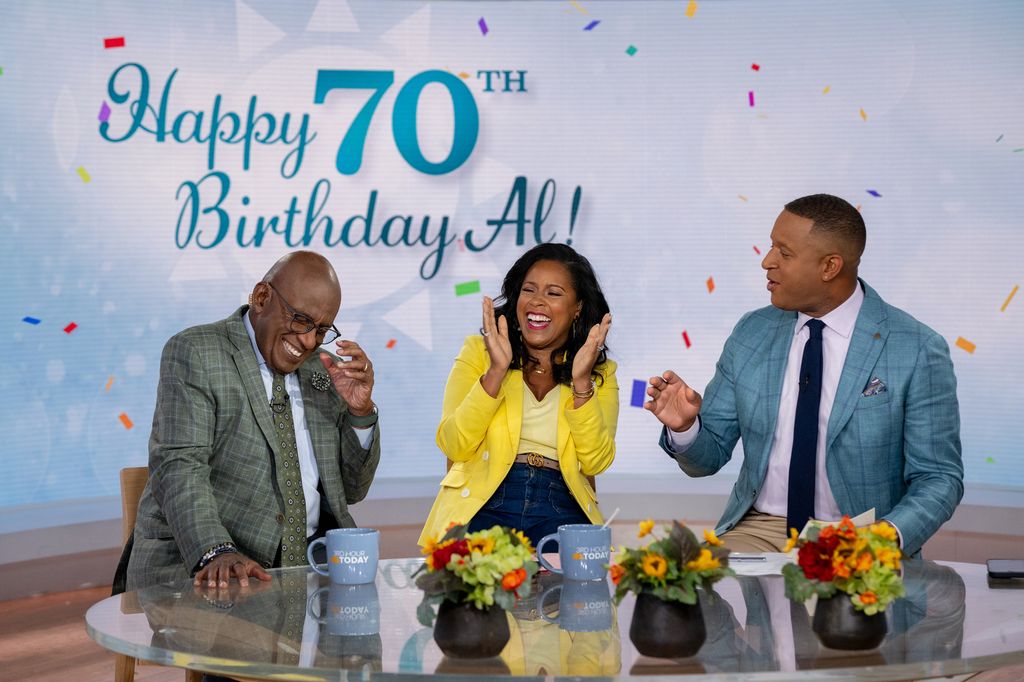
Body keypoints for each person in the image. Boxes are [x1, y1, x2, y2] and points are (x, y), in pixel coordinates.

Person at [646, 194, 963, 557]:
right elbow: (708, 459)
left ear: (830, 266)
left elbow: (939, 478)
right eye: (770, 247)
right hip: (759, 528)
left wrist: (881, 541)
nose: (767, 262)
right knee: (679, 594)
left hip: (858, 537)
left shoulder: (917, 348)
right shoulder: (753, 332)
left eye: (784, 252)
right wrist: (686, 428)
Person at [123, 251, 381, 591]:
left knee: (372, 638)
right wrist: (215, 552)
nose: (307, 341)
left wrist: (360, 414)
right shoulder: (196, 352)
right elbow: (178, 466)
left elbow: (352, 490)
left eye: (321, 330)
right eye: (301, 320)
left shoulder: (326, 369)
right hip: (209, 570)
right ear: (262, 298)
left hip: (310, 571)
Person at [419, 243, 616, 547]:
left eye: (553, 293)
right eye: (529, 290)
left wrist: (580, 383)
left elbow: (595, 462)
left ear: (577, 306)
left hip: (561, 503)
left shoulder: (599, 372)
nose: (537, 302)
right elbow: (454, 445)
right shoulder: (478, 351)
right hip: (487, 500)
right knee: (475, 584)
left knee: (566, 591)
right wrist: (495, 373)